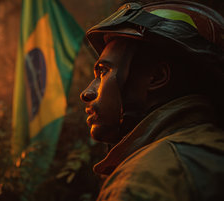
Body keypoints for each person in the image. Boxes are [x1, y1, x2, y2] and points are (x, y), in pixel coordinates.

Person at [80, 1, 224, 201]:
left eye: (103, 71)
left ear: (156, 77)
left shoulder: (143, 179)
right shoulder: (212, 152)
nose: (87, 93)